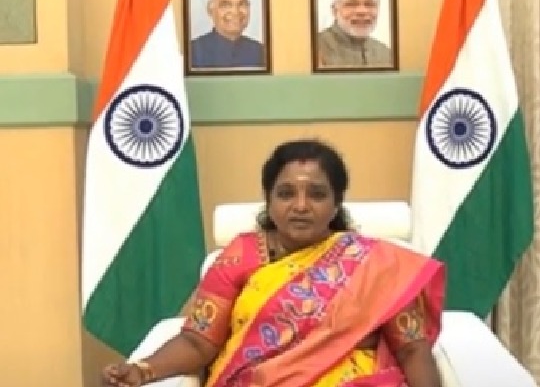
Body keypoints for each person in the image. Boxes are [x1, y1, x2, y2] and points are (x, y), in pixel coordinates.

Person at [101, 139, 445, 387]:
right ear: (268, 200)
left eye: (317, 194)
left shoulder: (377, 265)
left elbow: (412, 349)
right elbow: (198, 342)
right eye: (286, 193)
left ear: (337, 203)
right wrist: (141, 370)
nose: (301, 206)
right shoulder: (240, 256)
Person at [317, 0, 393, 68]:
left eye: (369, 4)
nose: (362, 11)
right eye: (351, 4)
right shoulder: (315, 47)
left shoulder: (386, 53)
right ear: (335, 11)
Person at [190, 0, 264, 68]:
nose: (235, 12)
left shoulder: (262, 52)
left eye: (242, 4)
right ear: (210, 10)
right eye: (226, 5)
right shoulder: (192, 53)